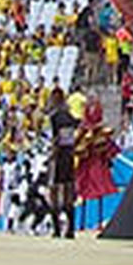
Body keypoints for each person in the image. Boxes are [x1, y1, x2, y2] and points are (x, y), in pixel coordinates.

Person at [47, 87, 79, 240]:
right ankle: (71, 229)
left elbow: (55, 140)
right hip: (69, 155)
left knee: (54, 192)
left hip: (58, 157)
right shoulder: (71, 117)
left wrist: (51, 155)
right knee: (68, 191)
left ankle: (56, 230)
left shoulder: (54, 118)